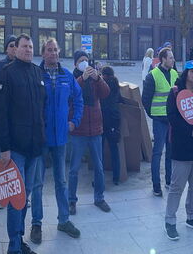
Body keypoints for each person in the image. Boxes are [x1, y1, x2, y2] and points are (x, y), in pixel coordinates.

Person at [0, 35, 45, 254]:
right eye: (24, 46)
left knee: (26, 195)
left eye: (31, 47)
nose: (28, 50)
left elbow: (42, 108)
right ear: (16, 49)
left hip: (35, 148)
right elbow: (1, 114)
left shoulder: (37, 72)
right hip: (15, 149)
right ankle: (13, 246)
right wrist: (4, 148)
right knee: (16, 199)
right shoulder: (7, 73)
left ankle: (20, 240)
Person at [33, 38, 82, 241]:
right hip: (40, 138)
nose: (53, 53)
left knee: (61, 182)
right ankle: (36, 224)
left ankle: (63, 220)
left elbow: (78, 99)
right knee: (37, 183)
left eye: (56, 50)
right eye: (49, 50)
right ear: (43, 53)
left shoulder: (67, 76)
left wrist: (74, 121)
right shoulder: (36, 75)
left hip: (61, 138)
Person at [164, 60, 193, 240]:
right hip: (182, 147)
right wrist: (191, 131)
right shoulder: (175, 93)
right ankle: (170, 220)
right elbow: (172, 118)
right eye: (191, 71)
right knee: (177, 186)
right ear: (185, 74)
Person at [68, 50, 111, 215]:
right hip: (79, 130)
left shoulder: (95, 79)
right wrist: (82, 79)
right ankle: (72, 200)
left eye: (86, 60)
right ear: (76, 64)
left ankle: (99, 197)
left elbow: (106, 93)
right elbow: (70, 95)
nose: (85, 63)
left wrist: (97, 78)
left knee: (99, 167)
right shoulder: (73, 78)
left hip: (95, 130)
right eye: (81, 61)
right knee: (74, 168)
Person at [142, 47, 177, 197]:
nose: (173, 60)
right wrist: (153, 115)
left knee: (171, 152)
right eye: (170, 58)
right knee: (157, 152)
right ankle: (156, 185)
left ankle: (169, 181)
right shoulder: (153, 75)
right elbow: (146, 99)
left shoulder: (175, 74)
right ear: (163, 59)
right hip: (159, 120)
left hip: (172, 120)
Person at [98, 66, 124, 185]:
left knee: (100, 151)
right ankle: (116, 178)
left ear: (104, 75)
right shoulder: (116, 86)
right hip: (114, 121)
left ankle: (100, 178)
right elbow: (120, 101)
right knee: (114, 150)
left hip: (102, 120)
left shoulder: (102, 86)